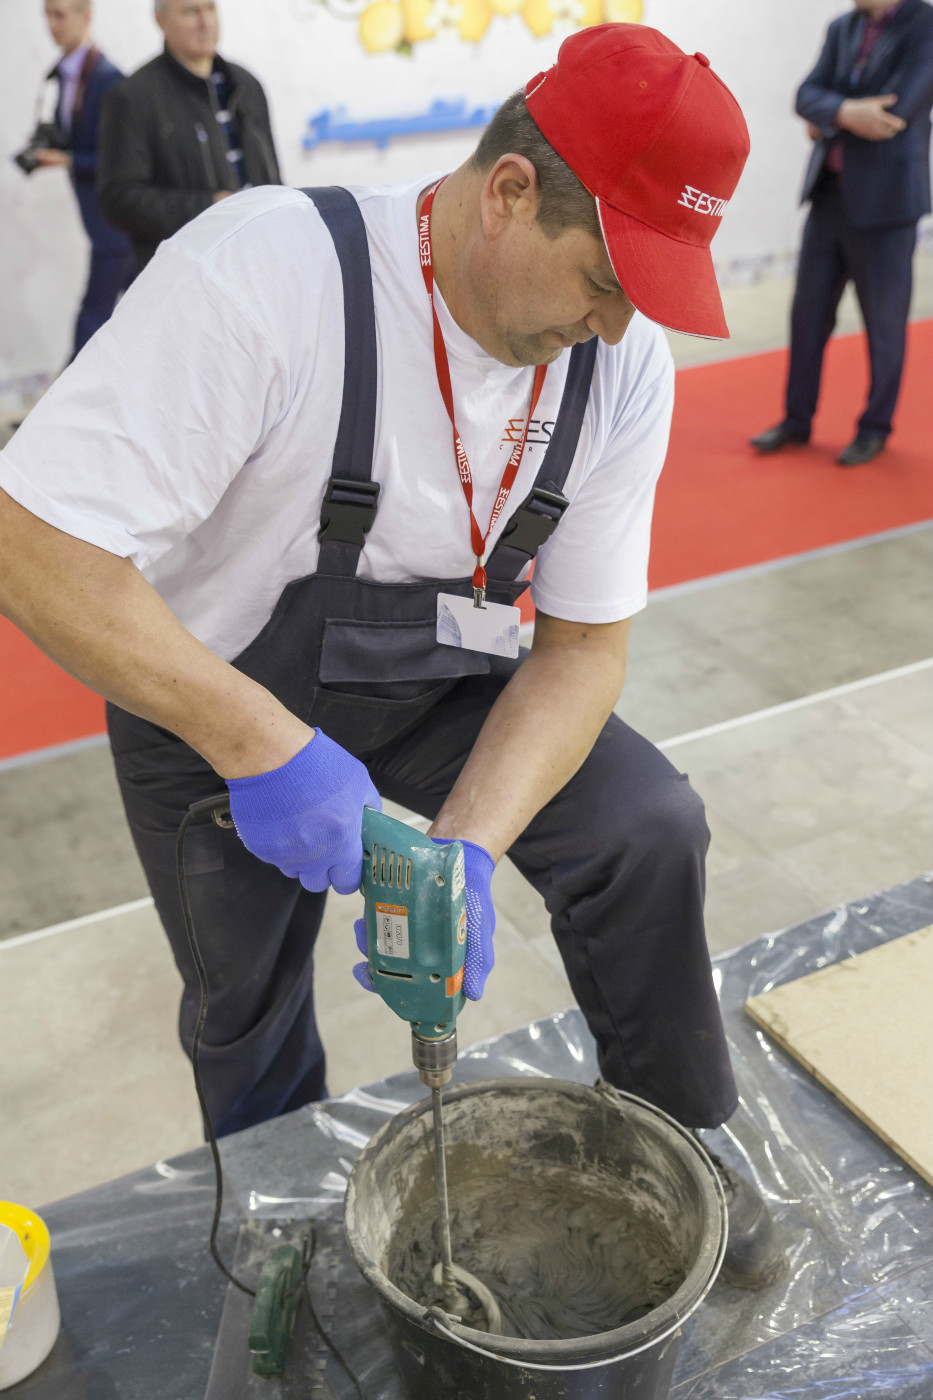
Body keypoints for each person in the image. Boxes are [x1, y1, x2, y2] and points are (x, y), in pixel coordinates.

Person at [0, 24, 786, 1290]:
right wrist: (260, 744)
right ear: (510, 192)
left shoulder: (617, 363)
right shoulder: (268, 275)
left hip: (440, 681)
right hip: (212, 694)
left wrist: (467, 846)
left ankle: (679, 1136)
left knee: (647, 825)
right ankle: (285, 1239)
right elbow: (32, 547)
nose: (612, 323)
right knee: (246, 1002)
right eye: (603, 279)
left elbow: (584, 648)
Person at [751, 0, 933, 466]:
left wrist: (829, 115)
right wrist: (848, 112)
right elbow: (804, 94)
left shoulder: (926, 24)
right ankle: (796, 419)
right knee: (807, 319)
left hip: (888, 207)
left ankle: (875, 427)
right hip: (828, 197)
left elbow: (897, 112)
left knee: (884, 327)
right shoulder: (842, 28)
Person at [96, 0, 280, 273]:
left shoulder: (247, 85)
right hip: (183, 274)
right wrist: (210, 207)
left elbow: (273, 177)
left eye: (210, 8)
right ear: (160, 20)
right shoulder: (132, 97)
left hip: (256, 260)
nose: (206, 22)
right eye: (191, 11)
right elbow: (118, 198)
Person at [26, 0, 133, 359]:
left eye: (60, 15)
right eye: (47, 15)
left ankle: (68, 391)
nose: (52, 25)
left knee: (94, 316)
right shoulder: (62, 74)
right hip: (99, 222)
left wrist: (68, 160)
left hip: (115, 224)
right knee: (140, 305)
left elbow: (120, 159)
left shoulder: (108, 79)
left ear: (85, 16)